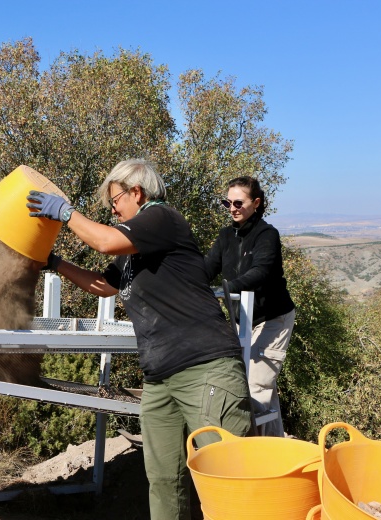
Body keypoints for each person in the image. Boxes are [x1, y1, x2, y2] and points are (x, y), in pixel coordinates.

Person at [26, 159, 252, 520]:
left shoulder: (161, 218)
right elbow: (102, 286)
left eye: (115, 199)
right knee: (164, 481)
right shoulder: (135, 251)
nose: (112, 208)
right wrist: (54, 263)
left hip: (205, 370)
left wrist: (65, 213)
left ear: (137, 192)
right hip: (160, 379)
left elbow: (103, 242)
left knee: (225, 479)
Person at [202, 176, 295, 438]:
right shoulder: (225, 236)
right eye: (227, 202)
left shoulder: (267, 235)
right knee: (259, 385)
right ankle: (277, 446)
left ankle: (256, 456)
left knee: (255, 385)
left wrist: (230, 288)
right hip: (243, 319)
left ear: (256, 203)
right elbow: (207, 268)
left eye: (238, 202)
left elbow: (262, 272)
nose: (232, 208)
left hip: (272, 318)